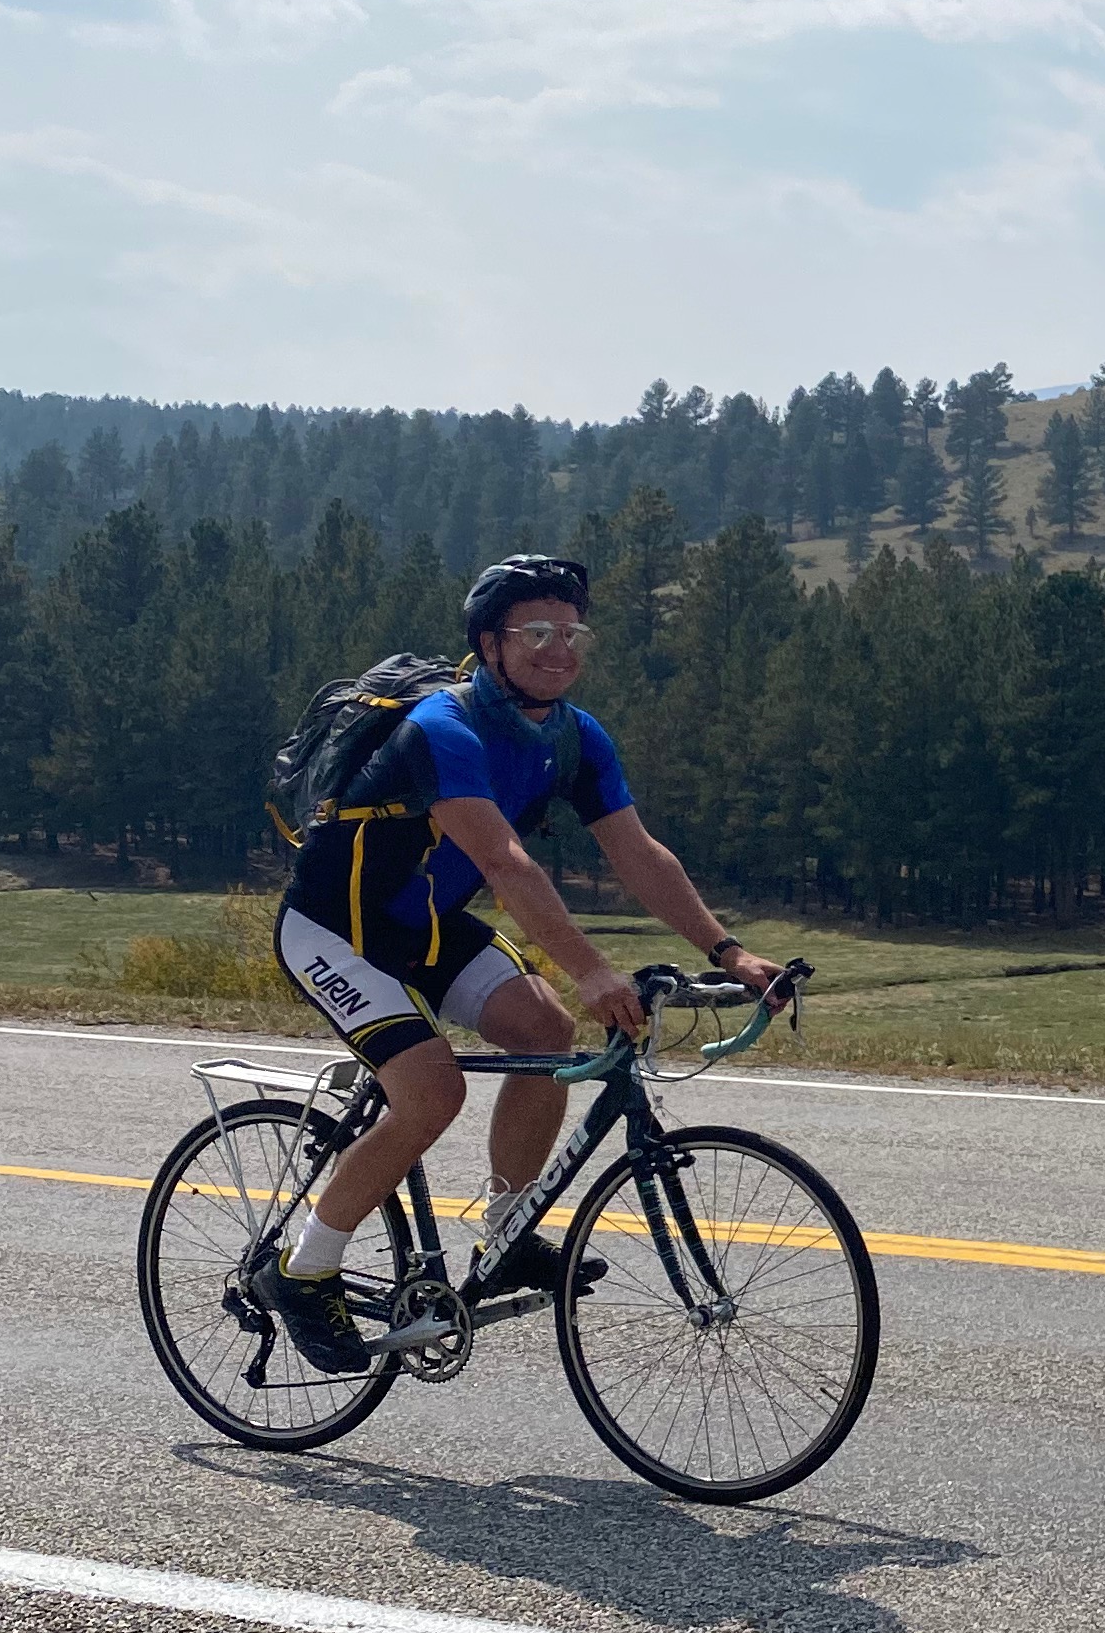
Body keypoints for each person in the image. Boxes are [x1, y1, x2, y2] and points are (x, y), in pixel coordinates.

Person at [254, 553, 787, 1368]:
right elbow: (505, 863)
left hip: (428, 928)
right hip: (334, 931)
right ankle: (305, 1269)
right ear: (489, 644)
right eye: (537, 632)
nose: (559, 649)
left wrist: (729, 950)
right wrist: (593, 970)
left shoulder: (574, 737)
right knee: (433, 1092)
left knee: (545, 1031)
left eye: (573, 633)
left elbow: (637, 853)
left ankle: (504, 1232)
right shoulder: (442, 728)